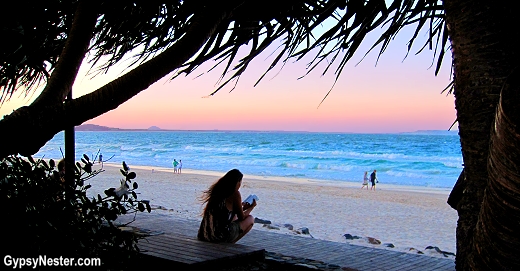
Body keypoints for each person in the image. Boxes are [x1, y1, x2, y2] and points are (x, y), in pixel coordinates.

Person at [198, 169, 256, 243]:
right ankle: (230, 243)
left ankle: (228, 242)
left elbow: (226, 213)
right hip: (219, 236)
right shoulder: (235, 193)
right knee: (250, 219)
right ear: (237, 182)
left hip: (204, 234)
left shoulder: (217, 191)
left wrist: (243, 209)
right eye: (240, 182)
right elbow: (242, 217)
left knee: (235, 217)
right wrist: (251, 207)